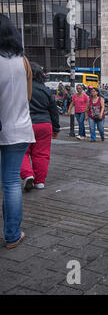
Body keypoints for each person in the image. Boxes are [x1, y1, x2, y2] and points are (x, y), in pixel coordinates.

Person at [0, 14, 35, 249]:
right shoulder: (23, 61)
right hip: (20, 128)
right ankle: (12, 236)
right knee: (11, 182)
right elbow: (28, 97)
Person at [20, 62, 60, 191]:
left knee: (22, 152)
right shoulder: (46, 90)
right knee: (42, 154)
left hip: (26, 123)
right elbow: (54, 110)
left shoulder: (22, 87)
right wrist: (56, 128)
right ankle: (40, 182)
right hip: (44, 125)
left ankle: (27, 175)